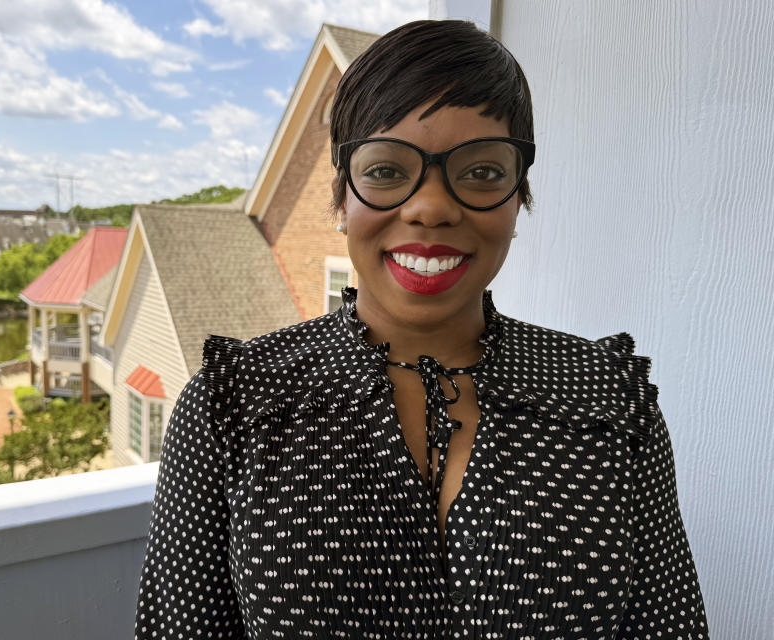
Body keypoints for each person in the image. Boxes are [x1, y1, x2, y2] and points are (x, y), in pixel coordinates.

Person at [134, 20, 709, 639]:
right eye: (385, 170)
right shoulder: (235, 406)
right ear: (340, 194)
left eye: (482, 172)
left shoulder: (608, 403)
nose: (431, 207)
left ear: (521, 196)